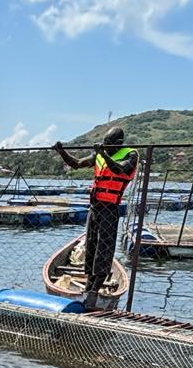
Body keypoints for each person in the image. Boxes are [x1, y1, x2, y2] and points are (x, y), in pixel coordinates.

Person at [54, 126, 138, 311]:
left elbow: (120, 171)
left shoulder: (130, 155)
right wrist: (62, 152)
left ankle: (94, 291)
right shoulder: (99, 155)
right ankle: (87, 286)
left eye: (109, 145)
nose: (105, 148)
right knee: (91, 246)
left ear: (117, 144)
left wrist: (104, 153)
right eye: (104, 145)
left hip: (110, 208)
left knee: (104, 248)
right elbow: (76, 163)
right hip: (95, 207)